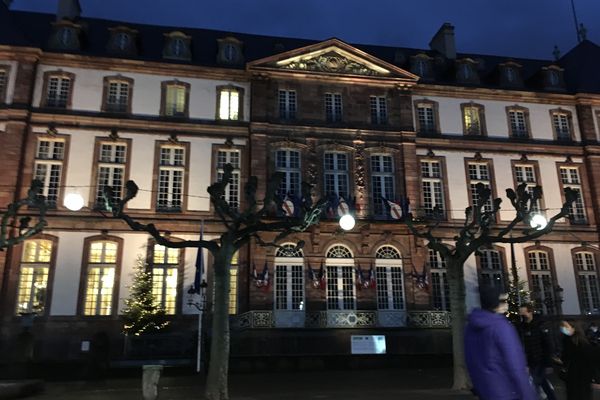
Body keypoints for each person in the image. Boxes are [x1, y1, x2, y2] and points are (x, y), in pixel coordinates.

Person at [465, 285, 537, 400]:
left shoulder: (470, 327)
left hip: (486, 392)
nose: (506, 304)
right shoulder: (501, 326)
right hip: (508, 392)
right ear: (495, 302)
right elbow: (516, 366)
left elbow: (470, 361)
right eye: (503, 301)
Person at [518, 304, 557, 400]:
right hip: (529, 361)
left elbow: (548, 345)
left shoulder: (540, 325)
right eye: (521, 313)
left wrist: (548, 364)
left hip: (540, 361)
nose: (522, 315)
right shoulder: (522, 327)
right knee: (543, 383)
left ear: (530, 312)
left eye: (524, 312)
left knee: (535, 384)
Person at [560, 320, 600, 400]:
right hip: (572, 375)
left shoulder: (581, 342)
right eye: (562, 326)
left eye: (566, 326)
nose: (563, 328)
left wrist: (596, 378)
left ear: (573, 328)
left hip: (582, 376)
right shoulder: (567, 340)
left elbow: (591, 360)